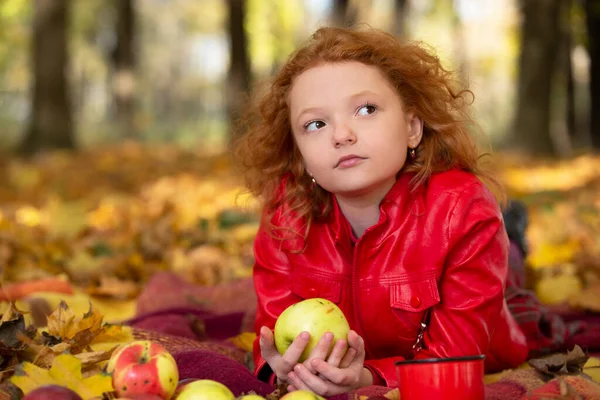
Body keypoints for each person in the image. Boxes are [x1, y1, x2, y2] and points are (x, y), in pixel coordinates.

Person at [233, 26, 529, 397]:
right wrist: (281, 367)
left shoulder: (463, 209)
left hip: (486, 315)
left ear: (412, 128)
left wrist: (369, 378)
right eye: (315, 124)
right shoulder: (284, 216)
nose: (341, 135)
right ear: (300, 156)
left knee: (514, 276)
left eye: (366, 109)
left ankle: (512, 235)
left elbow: (455, 356)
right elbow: (273, 329)